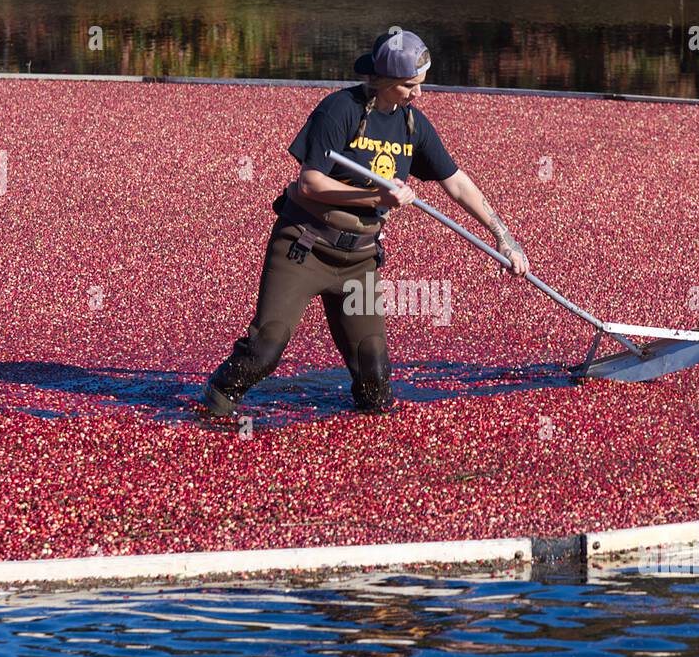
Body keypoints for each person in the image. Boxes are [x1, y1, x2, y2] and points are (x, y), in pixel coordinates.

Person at [200, 29, 530, 419]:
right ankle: (213, 406)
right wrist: (377, 198)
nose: (417, 95)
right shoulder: (339, 110)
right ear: (385, 81)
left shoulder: (412, 125)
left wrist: (504, 237)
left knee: (374, 374)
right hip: (304, 247)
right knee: (265, 350)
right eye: (410, 86)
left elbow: (457, 183)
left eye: (420, 85)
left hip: (358, 260)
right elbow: (310, 182)